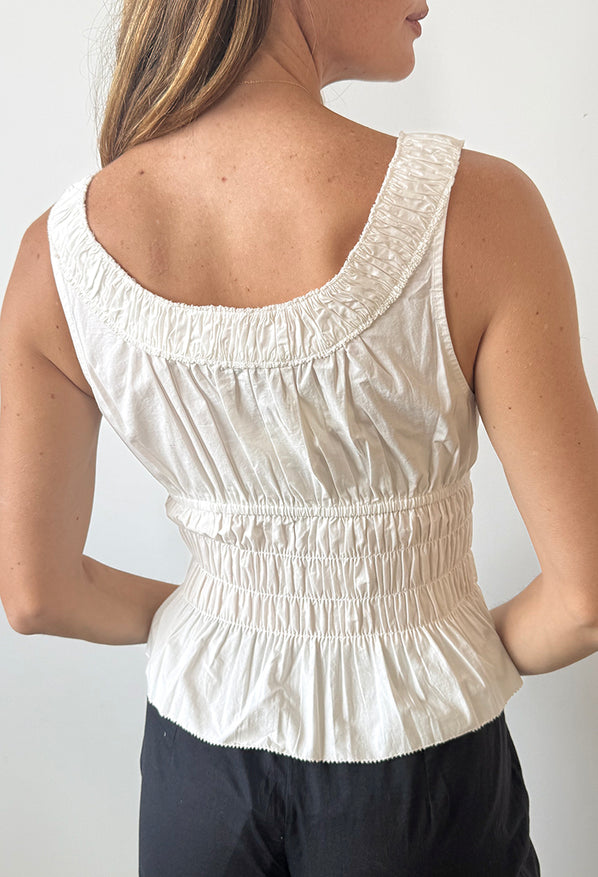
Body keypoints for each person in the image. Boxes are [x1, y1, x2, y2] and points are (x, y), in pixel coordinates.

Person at [1, 0, 597, 874]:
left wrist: (221, 618)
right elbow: (586, 596)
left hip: (194, 775)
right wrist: (449, 645)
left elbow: (36, 594)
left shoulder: (54, 258)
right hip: (419, 774)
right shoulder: (480, 209)